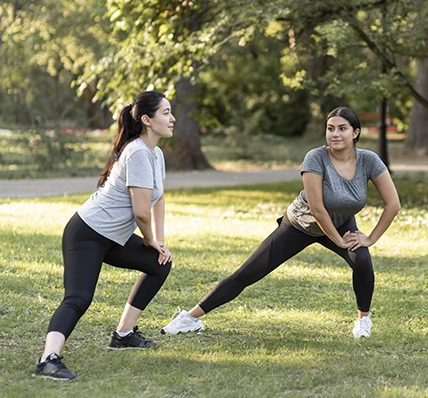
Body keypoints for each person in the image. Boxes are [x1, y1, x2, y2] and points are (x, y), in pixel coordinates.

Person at [161, 106, 401, 339]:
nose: (335, 134)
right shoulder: (316, 157)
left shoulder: (368, 160)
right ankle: (190, 318)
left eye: (342, 129)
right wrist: (339, 240)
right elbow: (317, 209)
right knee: (247, 274)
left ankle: (363, 320)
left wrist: (369, 239)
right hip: (300, 224)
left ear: (356, 132)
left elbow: (393, 204)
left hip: (340, 222)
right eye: (330, 129)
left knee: (362, 262)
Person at [33, 91, 175, 381]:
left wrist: (159, 241)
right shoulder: (136, 152)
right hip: (87, 233)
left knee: (159, 262)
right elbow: (141, 212)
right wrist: (148, 238)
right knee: (79, 298)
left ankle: (123, 335)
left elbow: (157, 200)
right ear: (147, 120)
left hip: (112, 237)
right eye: (166, 112)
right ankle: (48, 359)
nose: (172, 119)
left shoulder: (155, 153)